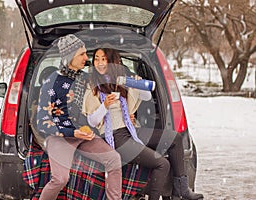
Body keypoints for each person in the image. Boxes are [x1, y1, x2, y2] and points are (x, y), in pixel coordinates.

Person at [83, 48, 204, 200]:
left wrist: (139, 84)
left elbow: (146, 97)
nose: (99, 63)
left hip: (132, 129)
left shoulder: (121, 82)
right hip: (115, 136)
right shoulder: (93, 86)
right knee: (163, 164)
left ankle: (182, 189)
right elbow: (92, 121)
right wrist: (105, 106)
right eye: (96, 59)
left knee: (175, 138)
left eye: (103, 59)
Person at [35, 35, 122, 200]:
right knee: (60, 179)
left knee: (114, 159)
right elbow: (42, 122)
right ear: (69, 57)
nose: (86, 57)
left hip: (85, 134)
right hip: (60, 137)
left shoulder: (84, 78)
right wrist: (71, 133)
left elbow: (106, 80)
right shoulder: (52, 82)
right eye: (81, 54)